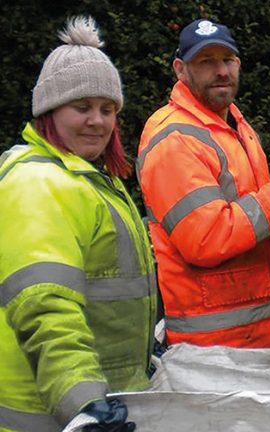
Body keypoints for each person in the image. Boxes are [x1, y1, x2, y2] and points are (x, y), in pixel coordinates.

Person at [0, 16, 154, 432]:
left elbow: (110, 285)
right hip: (53, 417)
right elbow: (45, 306)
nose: (98, 121)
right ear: (49, 111)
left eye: (108, 109)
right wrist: (83, 403)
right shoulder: (38, 183)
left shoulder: (89, 178)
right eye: (82, 107)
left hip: (107, 406)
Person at [137, 18, 270, 349]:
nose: (220, 71)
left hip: (260, 335)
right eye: (206, 62)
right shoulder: (173, 139)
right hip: (213, 350)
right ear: (181, 69)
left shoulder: (235, 125)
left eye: (227, 60)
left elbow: (254, 217)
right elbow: (207, 237)